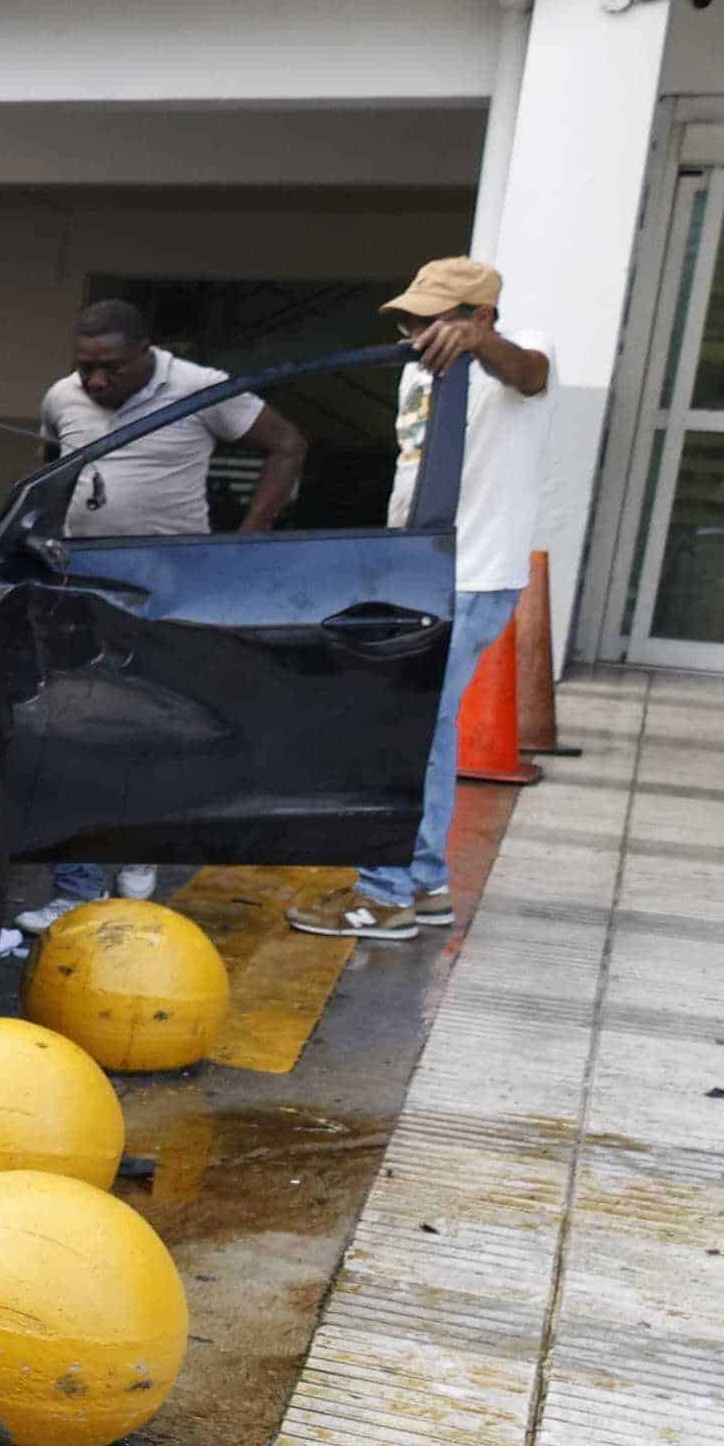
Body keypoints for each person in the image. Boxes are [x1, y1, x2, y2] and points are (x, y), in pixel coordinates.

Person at [20, 300, 311, 926]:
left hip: (170, 586)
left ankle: (138, 849)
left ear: (148, 353)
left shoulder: (202, 390)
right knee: (71, 733)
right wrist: (37, 537)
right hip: (80, 584)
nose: (95, 382)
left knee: (154, 729)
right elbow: (50, 472)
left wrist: (243, 541)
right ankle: (76, 888)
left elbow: (288, 444)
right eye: (85, 367)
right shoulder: (61, 397)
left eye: (111, 368)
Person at [292, 258, 545, 944]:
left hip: (472, 574)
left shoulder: (515, 354)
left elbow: (530, 371)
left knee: (405, 729)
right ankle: (422, 883)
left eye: (434, 319)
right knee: (424, 733)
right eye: (411, 318)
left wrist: (479, 347)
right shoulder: (420, 368)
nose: (415, 331)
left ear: (480, 316)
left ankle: (385, 895)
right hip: (418, 571)